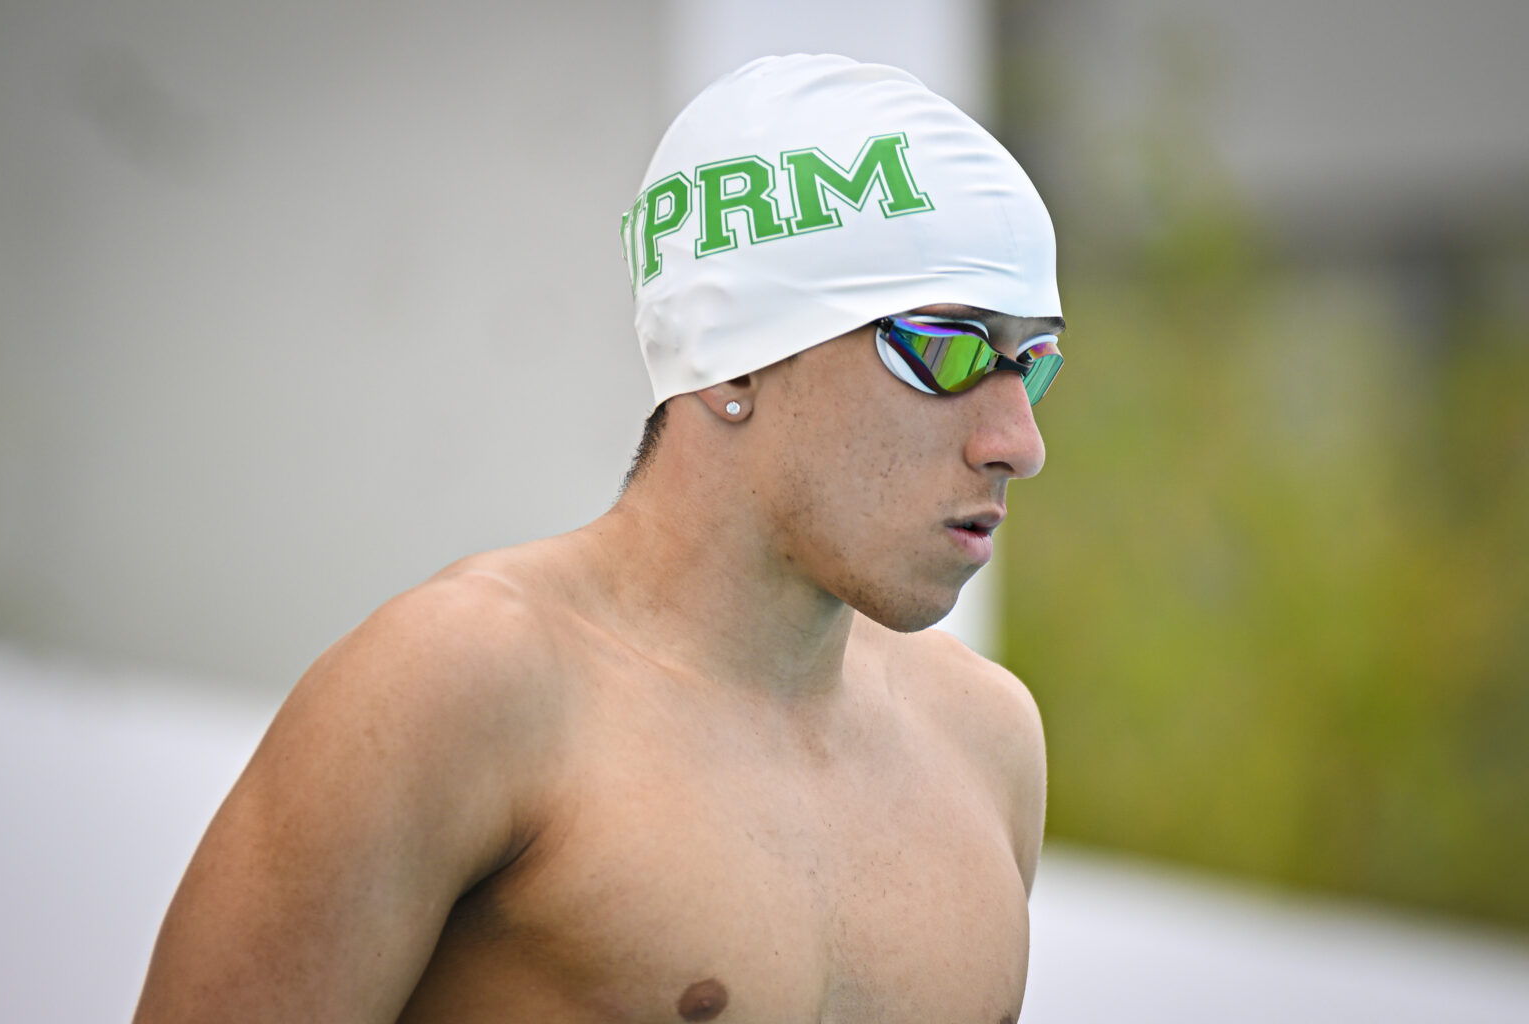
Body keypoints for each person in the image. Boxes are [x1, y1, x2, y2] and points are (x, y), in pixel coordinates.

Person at [133, 53, 1067, 1023]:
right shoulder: (462, 687)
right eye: (946, 350)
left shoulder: (984, 742)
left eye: (1032, 361)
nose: (1019, 443)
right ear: (729, 356)